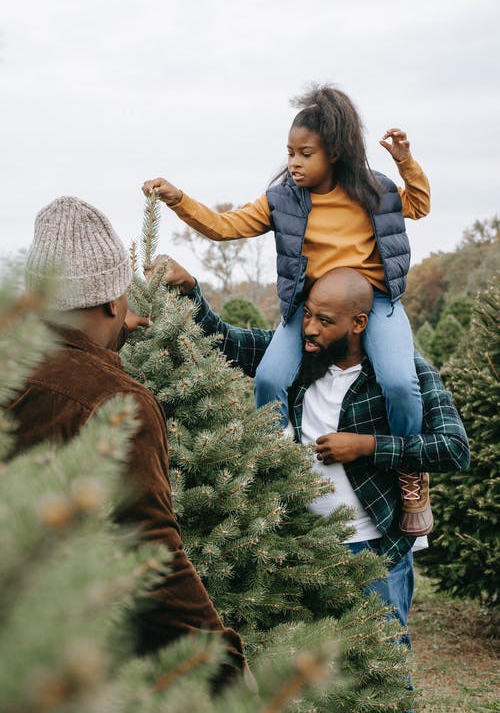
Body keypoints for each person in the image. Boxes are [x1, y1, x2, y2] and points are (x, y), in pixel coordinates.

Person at [141, 84, 432, 537]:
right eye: (290, 152)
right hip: (310, 304)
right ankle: (282, 469)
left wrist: (404, 162)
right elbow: (224, 227)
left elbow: (419, 205)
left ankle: (411, 472)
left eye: (305, 153)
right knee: (270, 378)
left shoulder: (375, 190)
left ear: (333, 152)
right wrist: (179, 200)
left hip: (373, 301)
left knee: (399, 381)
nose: (294, 162)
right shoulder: (282, 201)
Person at [159, 258, 470, 657]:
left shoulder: (404, 373)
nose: (309, 328)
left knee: (383, 662)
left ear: (358, 323)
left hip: (375, 549)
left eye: (324, 320)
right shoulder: (299, 360)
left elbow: (454, 447)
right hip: (303, 545)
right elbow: (225, 340)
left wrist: (366, 446)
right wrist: (190, 291)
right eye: (307, 315)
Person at [7, 196, 245, 688]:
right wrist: (220, 666)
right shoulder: (116, 402)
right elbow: (149, 554)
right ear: (114, 301)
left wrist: (105, 342)